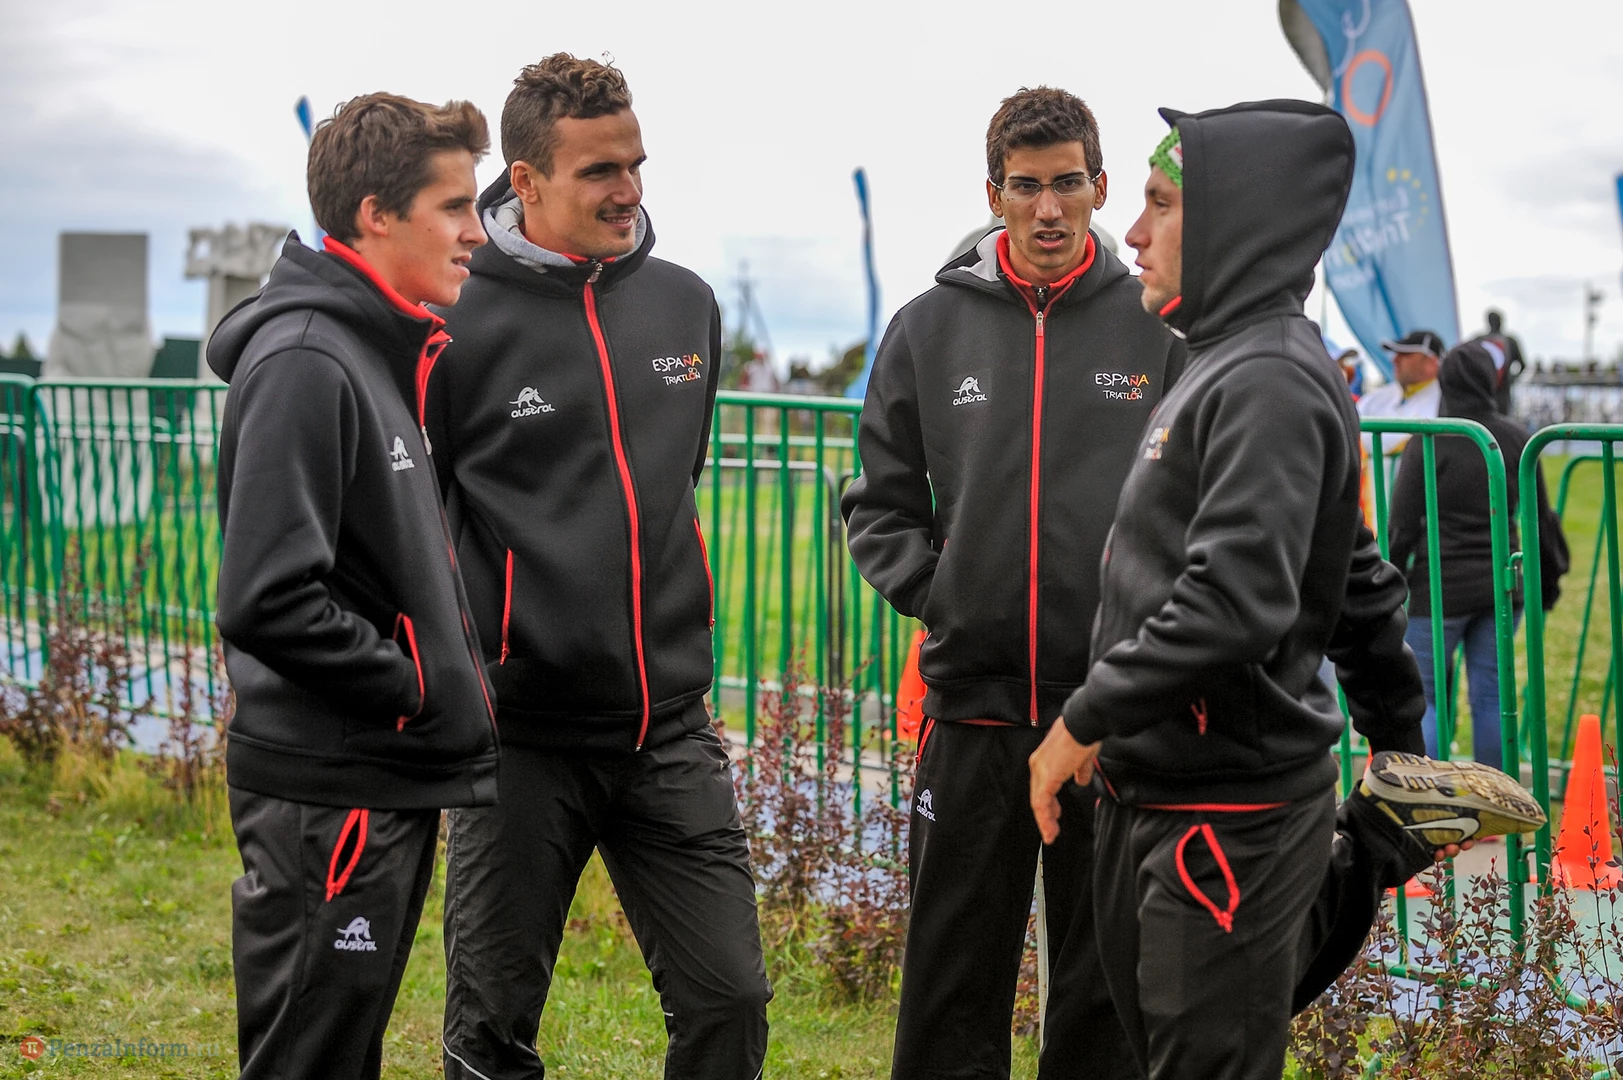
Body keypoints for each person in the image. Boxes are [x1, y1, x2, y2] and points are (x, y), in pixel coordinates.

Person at [1026, 101, 1546, 1080]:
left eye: (1159, 204)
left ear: (1235, 223)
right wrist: (1398, 737)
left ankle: (1375, 840)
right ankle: (1383, 829)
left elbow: (1233, 600)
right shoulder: (1222, 362)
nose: (1130, 232)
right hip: (1164, 789)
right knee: (1158, 1032)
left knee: (1206, 1044)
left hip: (1223, 807)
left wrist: (1082, 720)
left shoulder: (1267, 379)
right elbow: (1347, 574)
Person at [424, 55, 770, 1080]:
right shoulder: (455, 318)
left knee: (731, 1001)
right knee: (490, 1028)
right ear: (527, 181)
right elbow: (416, 512)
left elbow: (670, 483)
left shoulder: (684, 304)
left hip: (668, 727)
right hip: (520, 735)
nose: (629, 189)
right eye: (599, 171)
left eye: (636, 164)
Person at [844, 85, 1183, 1080]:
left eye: (1067, 184)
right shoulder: (925, 328)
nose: (1047, 208)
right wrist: (949, 597)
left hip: (1108, 716)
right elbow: (878, 504)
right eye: (1025, 186)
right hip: (970, 712)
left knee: (1103, 993)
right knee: (951, 991)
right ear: (992, 194)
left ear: (1101, 188)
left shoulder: (1158, 329)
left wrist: (1141, 646)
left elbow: (1196, 509)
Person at [209, 93, 497, 1080]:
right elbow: (267, 597)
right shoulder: (306, 360)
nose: (475, 231)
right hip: (333, 793)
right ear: (376, 214)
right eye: (453, 206)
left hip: (372, 780)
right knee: (310, 1058)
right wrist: (412, 687)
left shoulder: (374, 351)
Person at [1388, 341, 1564, 770]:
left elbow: (1402, 527)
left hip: (1439, 591)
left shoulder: (1427, 440)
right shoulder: (1516, 437)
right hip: (1501, 587)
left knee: (1424, 697)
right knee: (1491, 698)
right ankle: (1494, 801)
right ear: (1492, 379)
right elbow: (1541, 519)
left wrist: (1388, 582)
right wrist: (1549, 579)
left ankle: (1427, 798)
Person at [1356, 329, 1444, 459]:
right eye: (1396, 353)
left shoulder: (1446, 400)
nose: (1395, 360)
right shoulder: (1376, 397)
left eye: (1405, 354)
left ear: (1431, 363)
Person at [1480, 309, 1527, 415]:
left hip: (1485, 389)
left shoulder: (1479, 341)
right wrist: (1513, 378)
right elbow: (1523, 364)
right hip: (1502, 389)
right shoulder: (1510, 341)